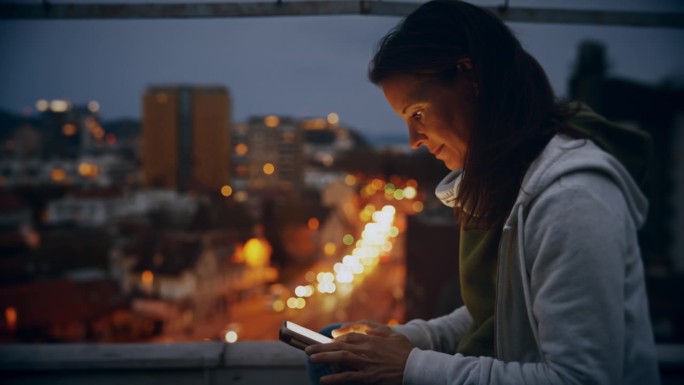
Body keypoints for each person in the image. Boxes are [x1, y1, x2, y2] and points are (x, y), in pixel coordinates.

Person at [304, 0, 660, 384]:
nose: (412, 141)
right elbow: (499, 312)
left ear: (469, 76)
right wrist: (402, 340)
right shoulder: (510, 180)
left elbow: (579, 378)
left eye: (418, 113)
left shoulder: (571, 198)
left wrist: (410, 366)